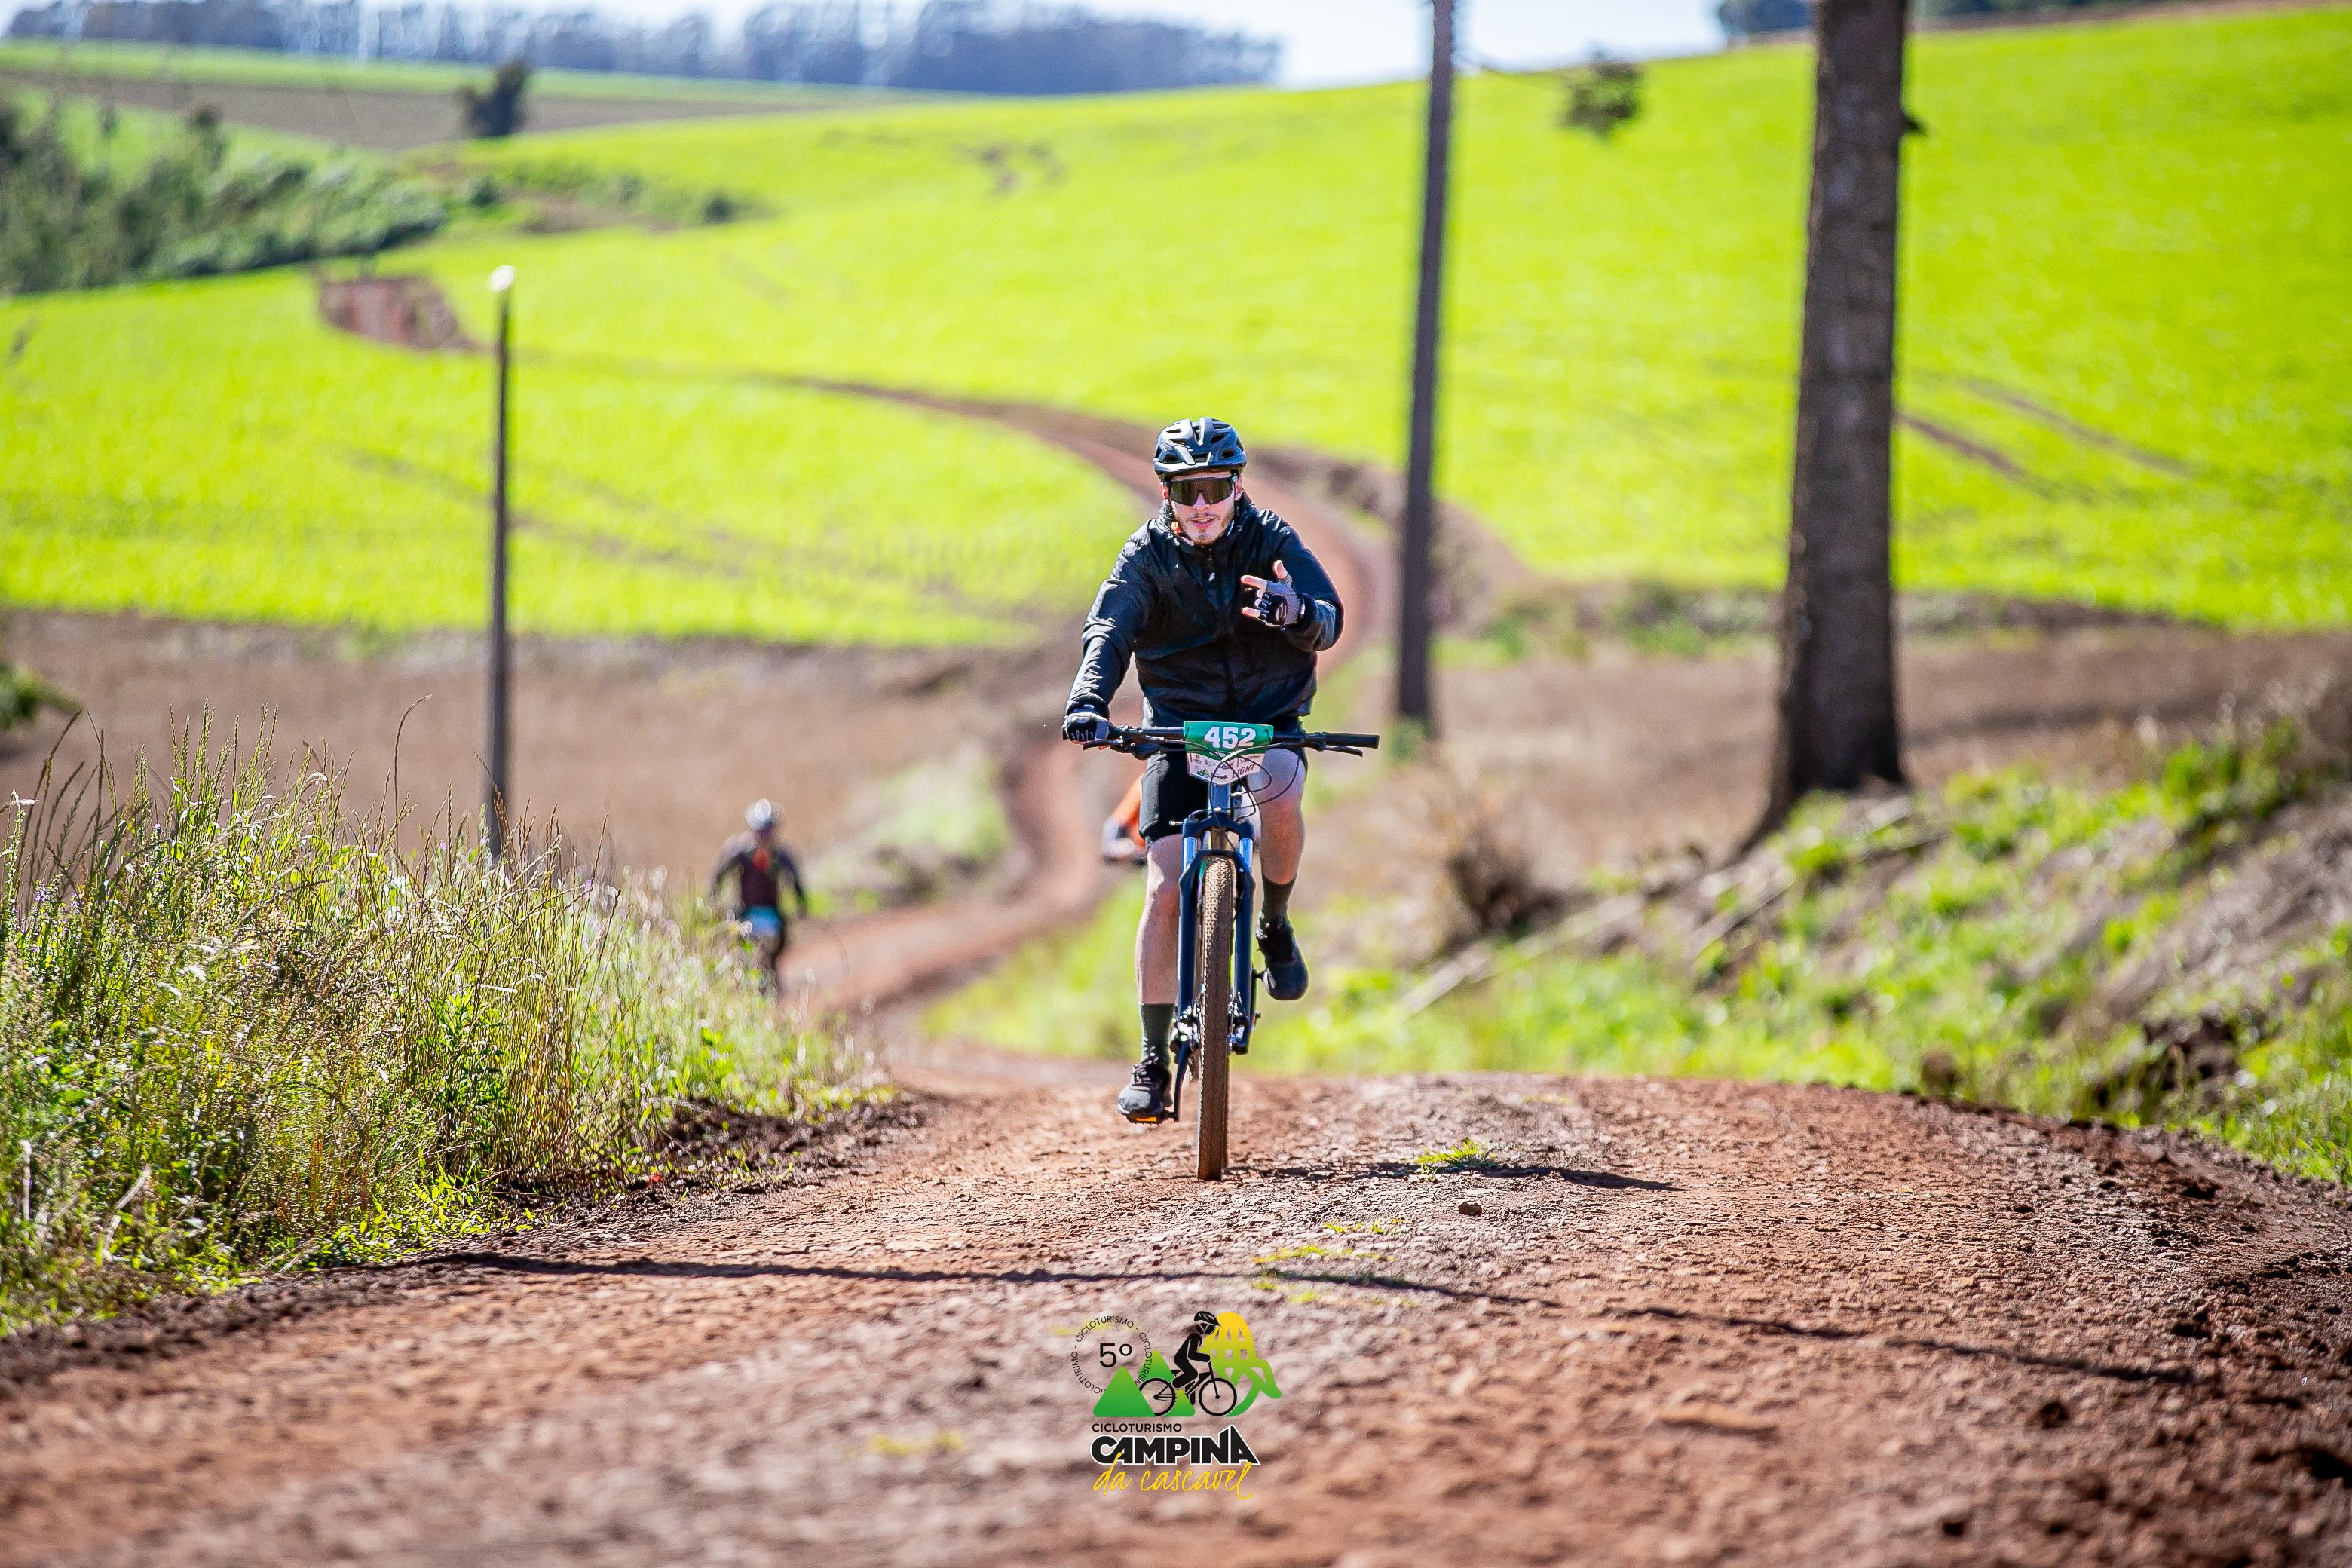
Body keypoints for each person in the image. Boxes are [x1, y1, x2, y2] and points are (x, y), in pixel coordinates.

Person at [1061, 417, 1344, 1123]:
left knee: (1282, 802)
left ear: (1237, 486)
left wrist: (1295, 611)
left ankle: (1273, 923)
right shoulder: (1145, 556)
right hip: (1180, 730)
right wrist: (1088, 699)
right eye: (1187, 490)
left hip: (1268, 720)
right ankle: (1152, 1060)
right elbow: (1109, 628)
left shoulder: (1272, 539)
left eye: (1215, 487)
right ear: (1166, 493)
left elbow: (1329, 616)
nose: (1202, 504)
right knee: (1163, 884)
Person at [709, 799, 809, 994]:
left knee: (775, 952)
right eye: (761, 831)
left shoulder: (781, 855)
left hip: (773, 915)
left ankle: (770, 986)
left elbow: (795, 881)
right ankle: (743, 989)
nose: (764, 836)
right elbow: (717, 875)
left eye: (768, 831)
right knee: (742, 955)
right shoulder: (738, 852)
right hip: (744, 914)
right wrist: (714, 901)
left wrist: (801, 904)